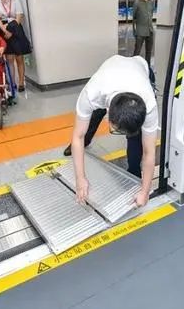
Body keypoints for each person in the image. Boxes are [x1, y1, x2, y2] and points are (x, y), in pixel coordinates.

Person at [65, 55, 158, 208]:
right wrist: (80, 178)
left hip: (141, 68)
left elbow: (149, 152)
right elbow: (78, 136)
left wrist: (145, 191)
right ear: (108, 116)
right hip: (109, 76)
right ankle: (88, 138)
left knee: (136, 140)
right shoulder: (92, 94)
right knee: (89, 121)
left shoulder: (149, 106)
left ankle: (134, 172)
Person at [0, 0, 31, 92]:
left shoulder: (15, 0)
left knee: (19, 58)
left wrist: (10, 29)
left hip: (16, 29)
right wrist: (4, 30)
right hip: (4, 29)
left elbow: (19, 17)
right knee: (9, 58)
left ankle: (21, 83)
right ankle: (12, 83)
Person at [132, 0, 155, 66]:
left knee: (149, 53)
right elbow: (134, 18)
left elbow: (151, 14)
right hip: (140, 32)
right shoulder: (137, 2)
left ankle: (147, 68)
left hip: (150, 31)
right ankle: (134, 67)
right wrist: (135, 32)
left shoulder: (151, 1)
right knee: (136, 52)